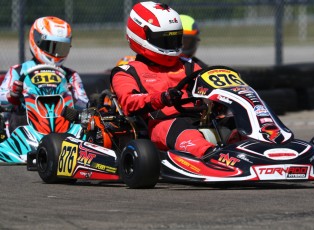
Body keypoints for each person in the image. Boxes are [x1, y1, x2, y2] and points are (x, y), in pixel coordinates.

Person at [111, 1, 216, 158]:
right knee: (180, 128)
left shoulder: (189, 66)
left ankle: (258, 151)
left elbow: (210, 86)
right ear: (142, 36)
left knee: (232, 123)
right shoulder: (127, 72)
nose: (172, 45)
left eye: (175, 39)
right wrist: (162, 98)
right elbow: (129, 102)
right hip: (161, 125)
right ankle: (212, 157)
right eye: (165, 40)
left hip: (198, 120)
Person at [0, 16, 89, 133]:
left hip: (64, 129)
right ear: (37, 41)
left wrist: (71, 95)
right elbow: (2, 98)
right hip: (25, 127)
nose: (56, 53)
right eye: (50, 46)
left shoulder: (70, 75)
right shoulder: (18, 71)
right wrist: (14, 94)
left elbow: (84, 105)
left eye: (61, 47)